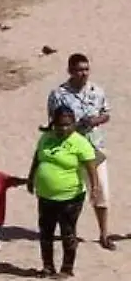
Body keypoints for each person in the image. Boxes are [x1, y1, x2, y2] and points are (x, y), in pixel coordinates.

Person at [47, 52, 115, 250]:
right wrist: (74, 126)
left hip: (95, 148)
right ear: (70, 71)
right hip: (71, 149)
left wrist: (95, 120)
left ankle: (104, 234)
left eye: (86, 69)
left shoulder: (97, 91)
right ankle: (70, 233)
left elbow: (106, 114)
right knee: (72, 195)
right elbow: (53, 123)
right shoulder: (59, 95)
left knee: (101, 191)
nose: (83, 73)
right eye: (79, 70)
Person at [30, 106, 100, 277]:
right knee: (45, 233)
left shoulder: (80, 142)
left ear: (73, 124)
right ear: (53, 123)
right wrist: (31, 178)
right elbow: (37, 158)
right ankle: (48, 267)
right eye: (60, 125)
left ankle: (67, 269)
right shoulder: (46, 137)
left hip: (70, 198)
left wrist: (95, 188)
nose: (64, 128)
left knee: (67, 233)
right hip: (45, 196)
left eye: (68, 125)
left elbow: (91, 168)